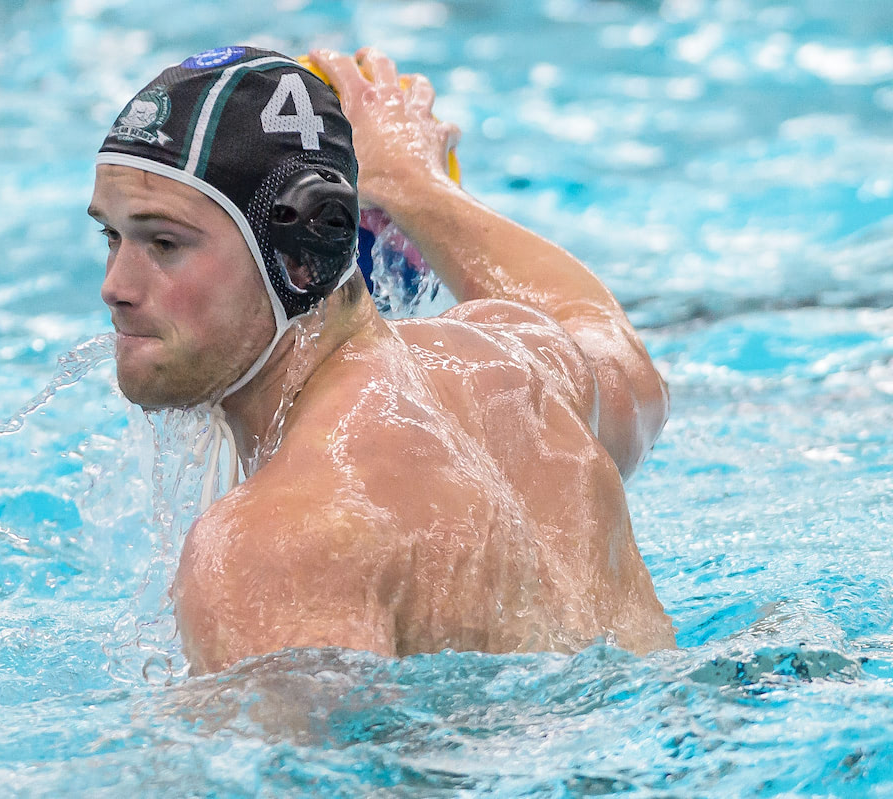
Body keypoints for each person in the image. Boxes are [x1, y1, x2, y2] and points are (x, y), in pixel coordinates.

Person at [87, 45, 676, 676]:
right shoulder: (518, 364)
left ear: (302, 252)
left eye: (165, 242)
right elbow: (622, 360)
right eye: (112, 235)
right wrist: (419, 189)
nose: (115, 285)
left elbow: (293, 774)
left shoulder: (278, 542)